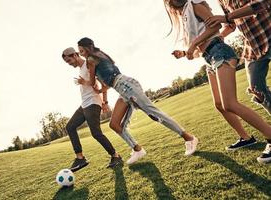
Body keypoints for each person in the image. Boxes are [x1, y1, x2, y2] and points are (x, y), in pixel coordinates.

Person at [164, 0, 271, 163]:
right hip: (210, 57)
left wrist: (194, 44)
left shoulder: (194, 5)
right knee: (220, 105)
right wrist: (185, 52)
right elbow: (205, 40)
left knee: (230, 103)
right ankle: (245, 137)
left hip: (220, 53)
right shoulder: (187, 12)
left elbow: (215, 27)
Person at [76, 37, 199, 165]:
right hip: (123, 88)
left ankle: (189, 138)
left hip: (126, 86)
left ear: (87, 48)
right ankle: (137, 149)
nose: (81, 54)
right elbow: (106, 84)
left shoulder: (90, 59)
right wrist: (100, 92)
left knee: (154, 113)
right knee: (114, 124)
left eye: (81, 51)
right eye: (80, 53)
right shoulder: (100, 55)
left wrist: (82, 82)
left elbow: (90, 82)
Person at [62, 47, 122, 171]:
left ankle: (115, 155)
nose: (69, 64)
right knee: (70, 126)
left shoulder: (89, 65)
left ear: (75, 55)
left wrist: (105, 102)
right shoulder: (80, 69)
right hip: (84, 104)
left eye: (69, 61)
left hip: (93, 102)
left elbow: (103, 84)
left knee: (96, 133)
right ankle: (80, 158)